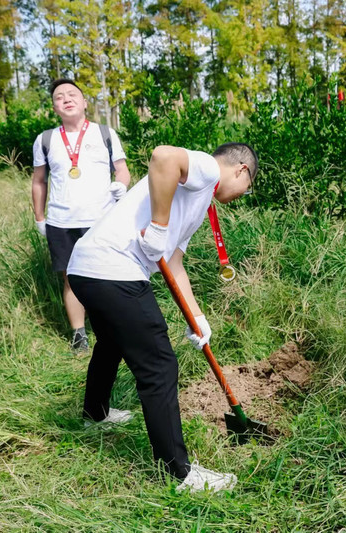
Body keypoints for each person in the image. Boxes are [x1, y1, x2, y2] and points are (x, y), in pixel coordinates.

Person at [66, 142, 257, 492]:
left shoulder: (198, 201)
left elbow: (174, 263)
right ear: (241, 169)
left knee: (111, 342)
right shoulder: (206, 168)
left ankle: (96, 415)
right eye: (247, 187)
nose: (242, 195)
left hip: (85, 268)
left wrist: (195, 316)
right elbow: (163, 156)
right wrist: (157, 225)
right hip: (113, 269)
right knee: (159, 365)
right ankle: (179, 472)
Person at [31, 78, 132, 353]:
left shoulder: (104, 134)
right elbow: (39, 181)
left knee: (107, 276)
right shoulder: (46, 139)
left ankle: (112, 328)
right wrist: (40, 218)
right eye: (59, 96)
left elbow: (122, 169)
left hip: (101, 220)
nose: (66, 98)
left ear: (85, 102)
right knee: (71, 279)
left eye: (72, 94)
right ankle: (79, 335)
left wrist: (121, 185)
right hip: (61, 222)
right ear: (54, 107)